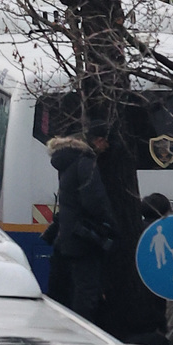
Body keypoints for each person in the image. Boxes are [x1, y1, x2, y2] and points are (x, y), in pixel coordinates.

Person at [45, 128, 117, 322]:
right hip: (83, 239)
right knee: (87, 290)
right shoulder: (85, 163)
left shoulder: (67, 161)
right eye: (106, 142)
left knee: (65, 285)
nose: (107, 147)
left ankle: (60, 322)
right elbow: (94, 201)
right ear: (99, 140)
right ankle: (83, 330)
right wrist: (110, 222)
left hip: (67, 235)